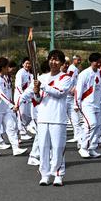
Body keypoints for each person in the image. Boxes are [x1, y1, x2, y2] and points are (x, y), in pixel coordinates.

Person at [32, 49, 72, 186]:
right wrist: (36, 92)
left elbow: (59, 93)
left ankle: (58, 175)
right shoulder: (42, 77)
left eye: (56, 60)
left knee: (58, 147)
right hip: (43, 117)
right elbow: (37, 100)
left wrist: (42, 86)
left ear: (61, 63)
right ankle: (44, 175)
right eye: (51, 59)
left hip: (58, 118)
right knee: (43, 147)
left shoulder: (66, 78)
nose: (53, 62)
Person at [0, 57, 27, 157]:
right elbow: (0, 93)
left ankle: (16, 148)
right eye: (7, 66)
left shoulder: (6, 77)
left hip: (6, 109)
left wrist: (12, 105)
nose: (9, 68)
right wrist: (11, 105)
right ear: (3, 68)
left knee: (11, 127)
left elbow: (8, 92)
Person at [75, 52, 101, 158]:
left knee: (97, 126)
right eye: (96, 62)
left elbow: (100, 90)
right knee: (90, 125)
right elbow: (78, 89)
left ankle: (92, 148)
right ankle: (83, 148)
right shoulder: (84, 74)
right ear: (91, 62)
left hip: (96, 104)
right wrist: (76, 104)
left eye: (100, 62)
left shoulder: (99, 74)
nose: (98, 64)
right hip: (87, 105)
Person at [14, 57, 34, 141]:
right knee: (21, 115)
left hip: (28, 98)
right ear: (22, 64)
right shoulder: (20, 73)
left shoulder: (30, 74)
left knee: (28, 116)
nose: (28, 65)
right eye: (26, 63)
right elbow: (18, 86)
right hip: (21, 98)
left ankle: (23, 130)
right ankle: (22, 133)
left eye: (29, 63)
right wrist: (22, 96)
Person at [65, 55, 82, 144]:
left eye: (80, 60)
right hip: (66, 97)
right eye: (78, 60)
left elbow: (74, 81)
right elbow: (70, 80)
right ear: (74, 60)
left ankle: (78, 136)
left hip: (71, 97)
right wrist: (70, 89)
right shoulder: (72, 69)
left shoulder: (74, 69)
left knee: (75, 118)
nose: (79, 62)